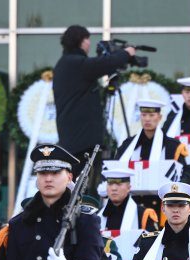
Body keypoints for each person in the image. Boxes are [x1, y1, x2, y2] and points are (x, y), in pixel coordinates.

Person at [53, 24, 134, 176]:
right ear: (81, 41)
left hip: (74, 136)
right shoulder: (75, 63)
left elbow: (95, 66)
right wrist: (126, 53)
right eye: (87, 39)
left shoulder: (66, 64)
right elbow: (105, 64)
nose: (89, 43)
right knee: (75, 182)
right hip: (80, 140)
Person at [114, 99, 188, 213]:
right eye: (144, 115)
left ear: (159, 117)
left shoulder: (172, 147)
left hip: (162, 206)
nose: (147, 119)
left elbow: (185, 176)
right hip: (132, 205)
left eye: (152, 115)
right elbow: (115, 171)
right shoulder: (128, 145)